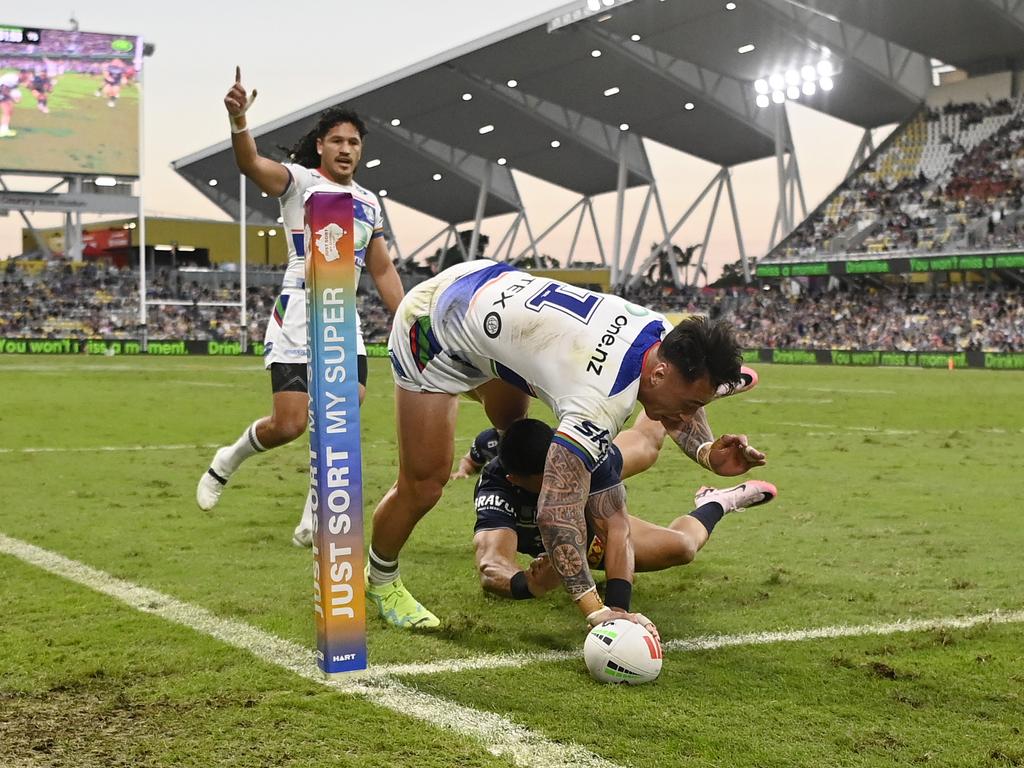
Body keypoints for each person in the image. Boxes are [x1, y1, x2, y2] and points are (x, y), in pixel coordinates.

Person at [367, 257, 766, 636]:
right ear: (660, 372)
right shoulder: (598, 401)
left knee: (515, 427)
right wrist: (598, 610)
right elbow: (555, 513)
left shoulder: (662, 332)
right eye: (692, 403)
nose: (685, 417)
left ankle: (540, 451)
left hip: (487, 295)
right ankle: (380, 579)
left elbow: (671, 412)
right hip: (432, 325)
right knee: (425, 483)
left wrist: (706, 451)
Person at [196, 68, 404, 547]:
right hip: (299, 314)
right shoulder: (300, 183)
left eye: (354, 142)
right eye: (337, 141)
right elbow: (250, 164)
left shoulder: (370, 203)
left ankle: (315, 512)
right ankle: (228, 459)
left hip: (343, 318)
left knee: (343, 413)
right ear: (321, 147)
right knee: (289, 424)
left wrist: (407, 317)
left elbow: (383, 270)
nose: (346, 149)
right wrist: (239, 120)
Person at [472, 418, 776, 600]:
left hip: (594, 529)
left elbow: (616, 529)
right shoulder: (498, 486)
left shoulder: (580, 455)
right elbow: (492, 564)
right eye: (548, 479)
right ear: (516, 480)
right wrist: (530, 584)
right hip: (561, 539)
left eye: (561, 470)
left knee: (682, 547)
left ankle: (717, 502)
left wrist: (617, 608)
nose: (562, 482)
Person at [0, 72, 22, 138]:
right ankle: (3, 130)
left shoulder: (15, 80)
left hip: (3, 95)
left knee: (8, 111)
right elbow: (3, 88)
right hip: (2, 94)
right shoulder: (12, 79)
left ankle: (4, 129)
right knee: (7, 111)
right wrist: (12, 98)